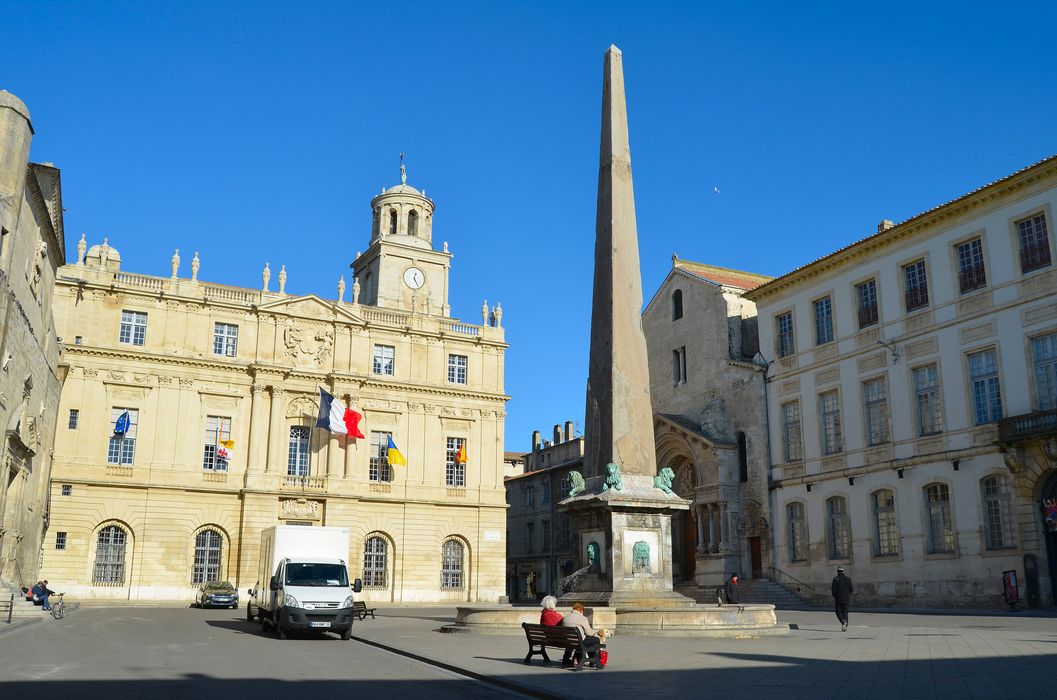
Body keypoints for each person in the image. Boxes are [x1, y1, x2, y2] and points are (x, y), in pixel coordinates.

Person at [560, 602, 606, 668]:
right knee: (595, 640)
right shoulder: (582, 618)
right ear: (581, 610)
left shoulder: (566, 617)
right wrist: (596, 631)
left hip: (568, 641)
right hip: (579, 641)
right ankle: (593, 661)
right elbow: (589, 633)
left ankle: (566, 659)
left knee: (587, 640)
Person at [832, 567, 853, 631]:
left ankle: (843, 621)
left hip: (839, 599)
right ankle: (845, 626)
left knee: (838, 612)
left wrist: (835, 596)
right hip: (846, 599)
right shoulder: (848, 579)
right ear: (843, 572)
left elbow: (833, 591)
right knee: (845, 612)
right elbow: (851, 590)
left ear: (838, 572)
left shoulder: (835, 579)